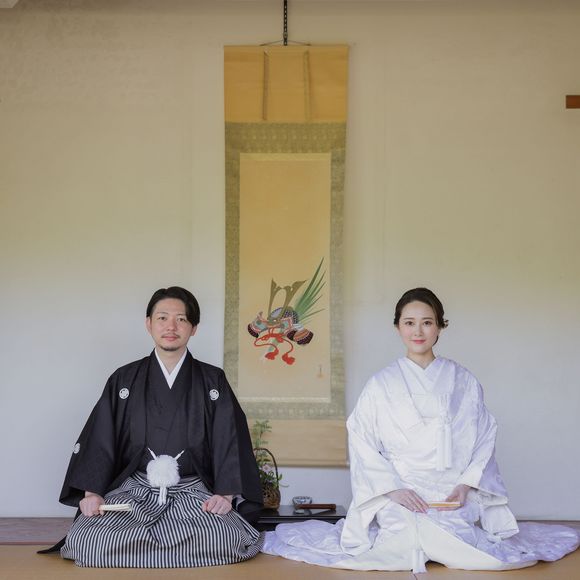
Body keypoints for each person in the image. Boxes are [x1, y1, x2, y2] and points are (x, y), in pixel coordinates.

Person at [262, 288, 579, 571]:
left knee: (483, 556)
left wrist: (466, 485)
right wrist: (391, 489)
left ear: (440, 326)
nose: (418, 331)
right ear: (397, 327)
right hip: (401, 491)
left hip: (450, 493)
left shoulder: (463, 381)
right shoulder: (381, 384)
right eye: (409, 322)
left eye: (427, 322)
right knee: (401, 543)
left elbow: (484, 436)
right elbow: (361, 439)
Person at [51, 286, 264, 568]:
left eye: (181, 319)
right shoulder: (124, 378)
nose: (171, 327)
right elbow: (101, 438)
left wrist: (224, 494)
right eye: (162, 318)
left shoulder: (213, 380)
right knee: (87, 540)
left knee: (222, 537)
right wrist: (92, 494)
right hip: (135, 492)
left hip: (193, 493)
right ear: (149, 323)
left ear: (194, 328)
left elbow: (229, 438)